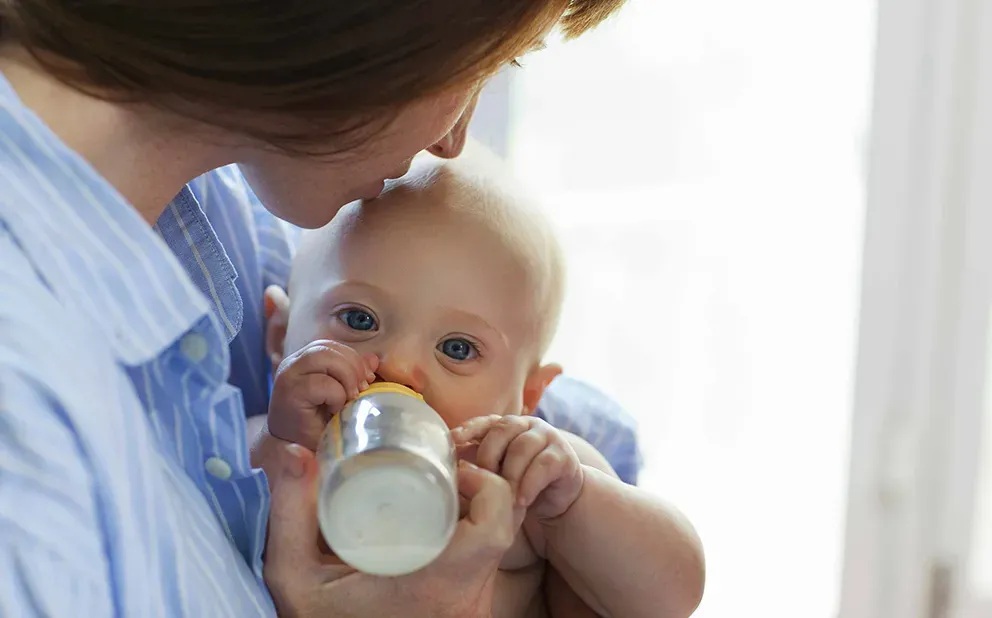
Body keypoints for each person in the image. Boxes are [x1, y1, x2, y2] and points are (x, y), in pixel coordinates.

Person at [0, 1, 628, 616]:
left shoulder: (232, 210)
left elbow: (598, 441)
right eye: (474, 65)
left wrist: (573, 492)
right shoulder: (31, 432)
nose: (453, 138)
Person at [256, 149, 706, 618]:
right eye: (357, 318)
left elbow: (674, 594)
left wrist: (573, 501)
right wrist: (284, 438)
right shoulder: (272, 441)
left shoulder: (523, 479)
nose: (400, 365)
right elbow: (233, 502)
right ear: (279, 336)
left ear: (527, 397)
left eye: (457, 349)